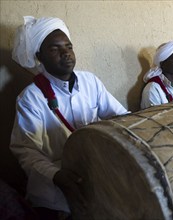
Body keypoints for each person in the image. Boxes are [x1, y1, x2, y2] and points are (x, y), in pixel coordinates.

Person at [10, 16, 128, 219]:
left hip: (97, 172)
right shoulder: (30, 98)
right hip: (56, 188)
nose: (66, 53)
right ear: (39, 56)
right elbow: (27, 152)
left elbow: (121, 116)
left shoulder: (90, 81)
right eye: (54, 49)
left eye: (68, 46)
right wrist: (57, 176)